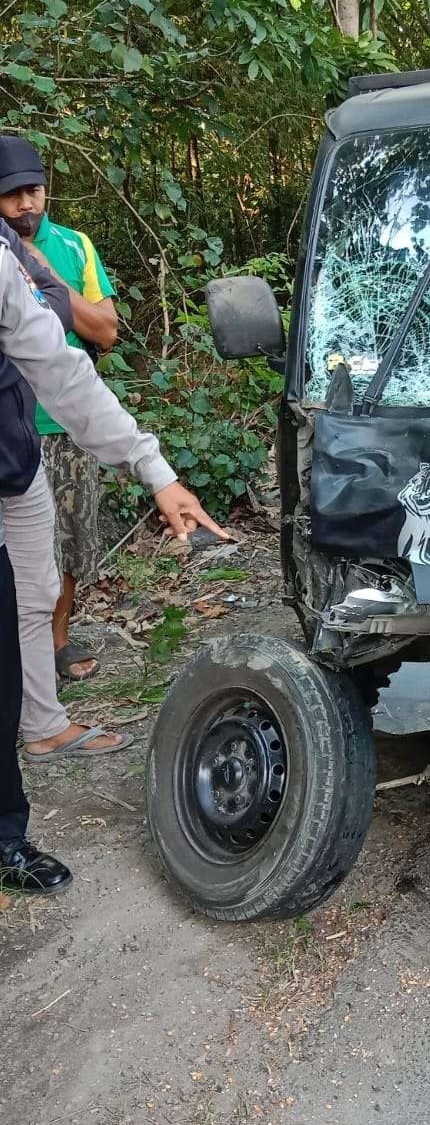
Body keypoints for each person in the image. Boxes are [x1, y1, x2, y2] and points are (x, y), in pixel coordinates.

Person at [0, 218, 226, 895]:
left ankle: (8, 826)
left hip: (11, 462)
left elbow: (61, 368)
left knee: (32, 602)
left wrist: (152, 468)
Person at [0, 136, 132, 761]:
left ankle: (53, 654)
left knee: (68, 554)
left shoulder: (72, 245)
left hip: (69, 424)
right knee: (25, 569)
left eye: (34, 190)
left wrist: (39, 272)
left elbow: (104, 330)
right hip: (15, 429)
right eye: (13, 194)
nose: (26, 203)